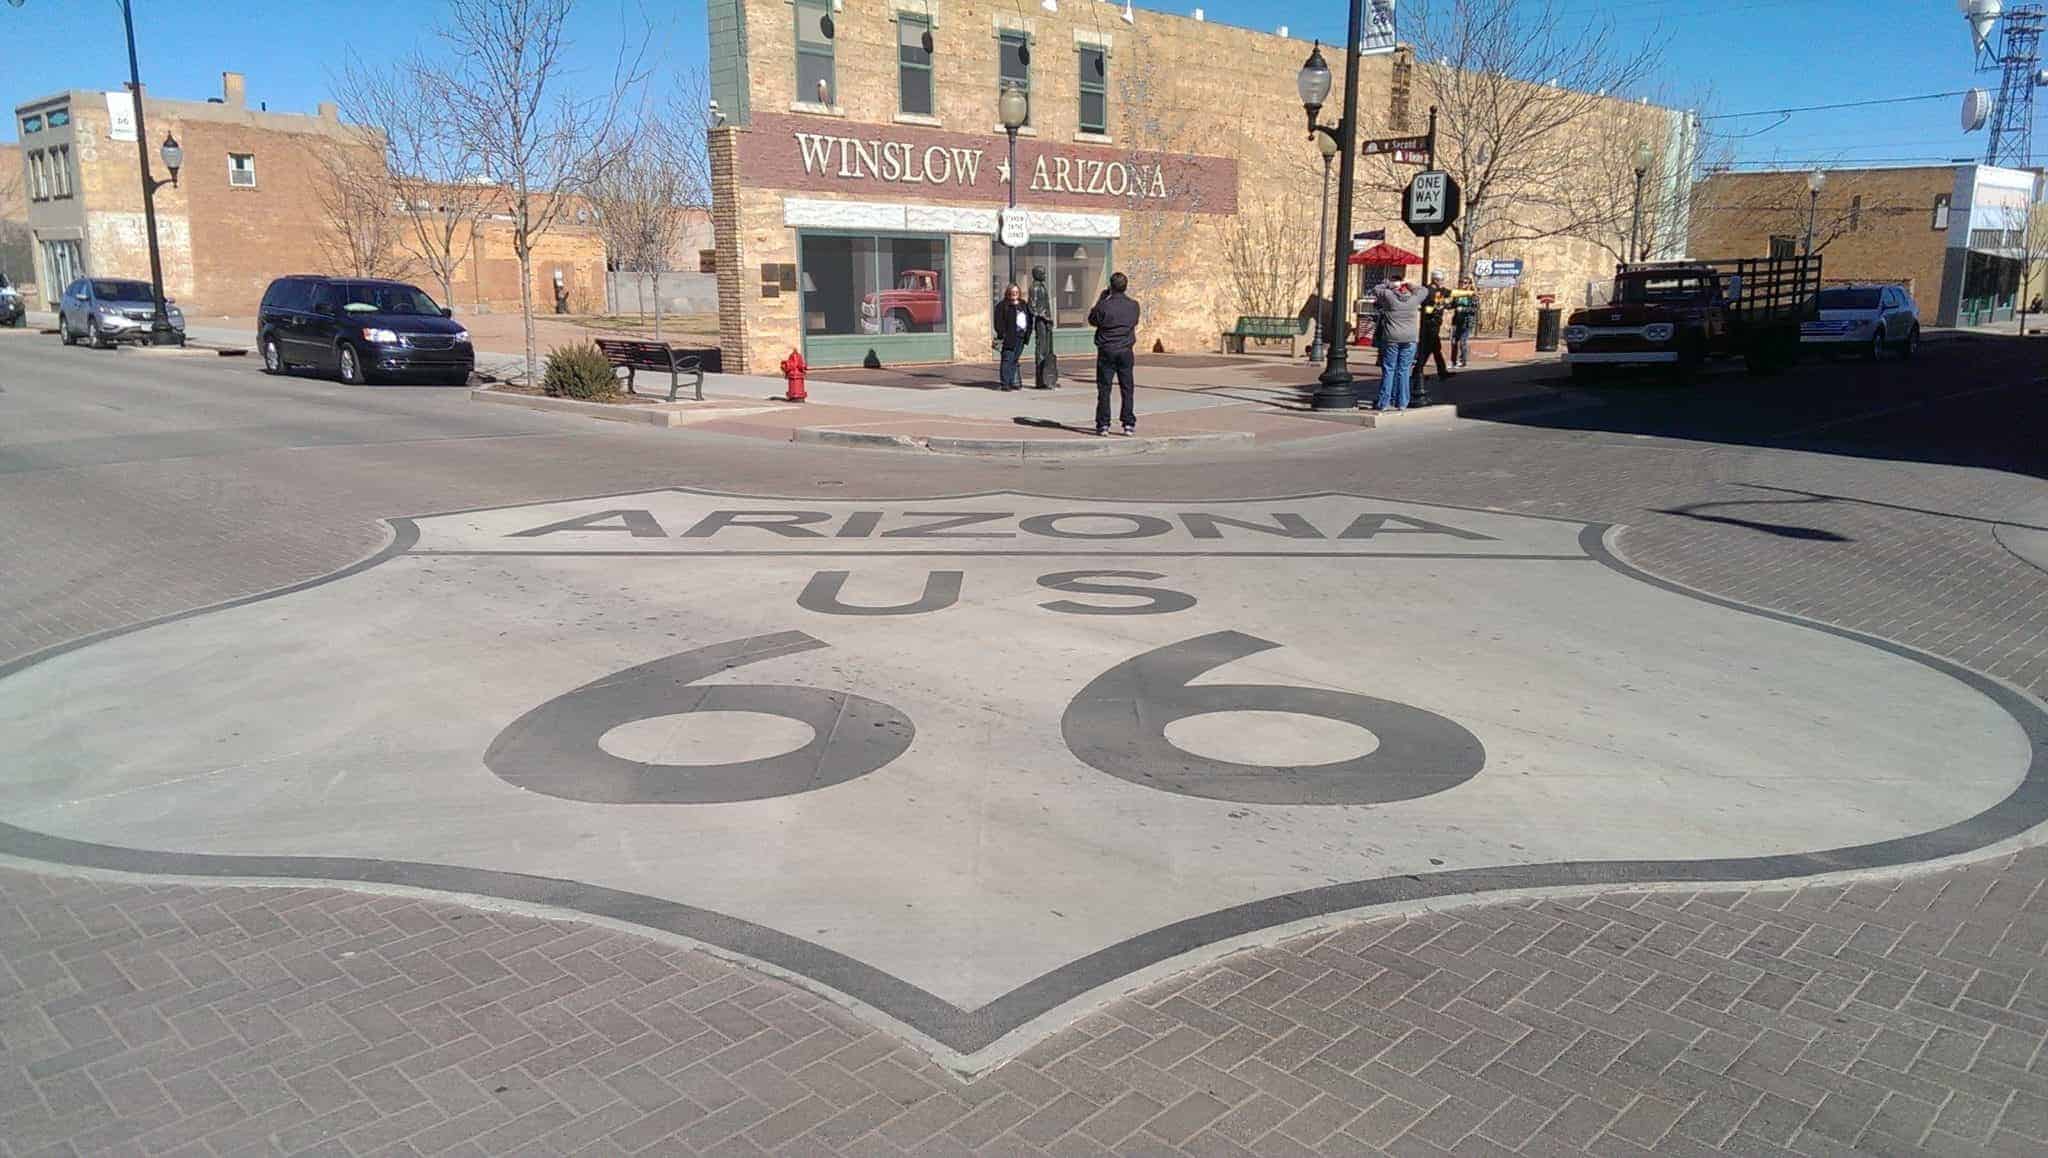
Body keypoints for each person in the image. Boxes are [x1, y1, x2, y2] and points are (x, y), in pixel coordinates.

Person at [1087, 271, 1140, 436]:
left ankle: (1103, 424)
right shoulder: (1133, 305)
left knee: (1104, 388)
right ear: (1125, 287)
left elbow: (1092, 319)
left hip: (1107, 350)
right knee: (1127, 388)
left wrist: (1102, 299)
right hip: (1125, 350)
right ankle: (1128, 423)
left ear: (1111, 287)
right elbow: (1134, 321)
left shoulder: (1104, 305)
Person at [1372, 276, 1423, 412]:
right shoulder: (1414, 299)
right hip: (1410, 338)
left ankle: (1384, 402)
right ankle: (1402, 402)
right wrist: (1409, 283)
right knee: (1404, 370)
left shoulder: (1389, 297)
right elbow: (1423, 290)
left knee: (1389, 369)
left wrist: (1391, 285)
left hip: (1391, 338)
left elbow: (1376, 289)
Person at [1412, 271, 1454, 388]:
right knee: (1427, 350)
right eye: (1441, 280)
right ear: (1435, 280)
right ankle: (1418, 373)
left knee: (1435, 349)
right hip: (1429, 324)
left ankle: (1441, 372)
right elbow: (1425, 306)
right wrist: (1433, 306)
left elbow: (1451, 293)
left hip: (1436, 323)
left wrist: (1470, 293)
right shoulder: (1428, 290)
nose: (1442, 282)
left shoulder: (1441, 290)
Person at [993, 284, 1033, 391]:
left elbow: (1029, 319)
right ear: (1008, 293)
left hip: (1021, 336)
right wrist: (1003, 334)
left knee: (1014, 360)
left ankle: (1012, 381)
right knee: (1007, 359)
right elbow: (998, 323)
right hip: (1009, 337)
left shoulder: (1023, 304)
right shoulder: (1002, 306)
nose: (1014, 294)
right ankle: (1005, 383)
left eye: (1016, 292)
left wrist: (1028, 332)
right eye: (1012, 292)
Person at [1029, 266, 1060, 388]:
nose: (1045, 275)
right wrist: (1043, 316)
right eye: (1043, 273)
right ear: (1037, 274)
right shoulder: (1035, 288)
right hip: (1041, 322)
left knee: (1047, 349)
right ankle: (1040, 380)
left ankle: (1047, 377)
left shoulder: (1041, 286)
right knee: (1041, 349)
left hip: (1047, 321)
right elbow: (1032, 307)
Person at [1451, 277, 1479, 368]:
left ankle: (1463, 361)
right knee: (1454, 341)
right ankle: (1453, 362)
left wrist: (1463, 309)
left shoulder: (1473, 296)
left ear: (1470, 284)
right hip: (1456, 321)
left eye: (1465, 283)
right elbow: (1452, 305)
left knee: (1463, 342)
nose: (1463, 284)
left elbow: (1475, 309)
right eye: (1462, 282)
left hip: (1466, 321)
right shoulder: (1458, 294)